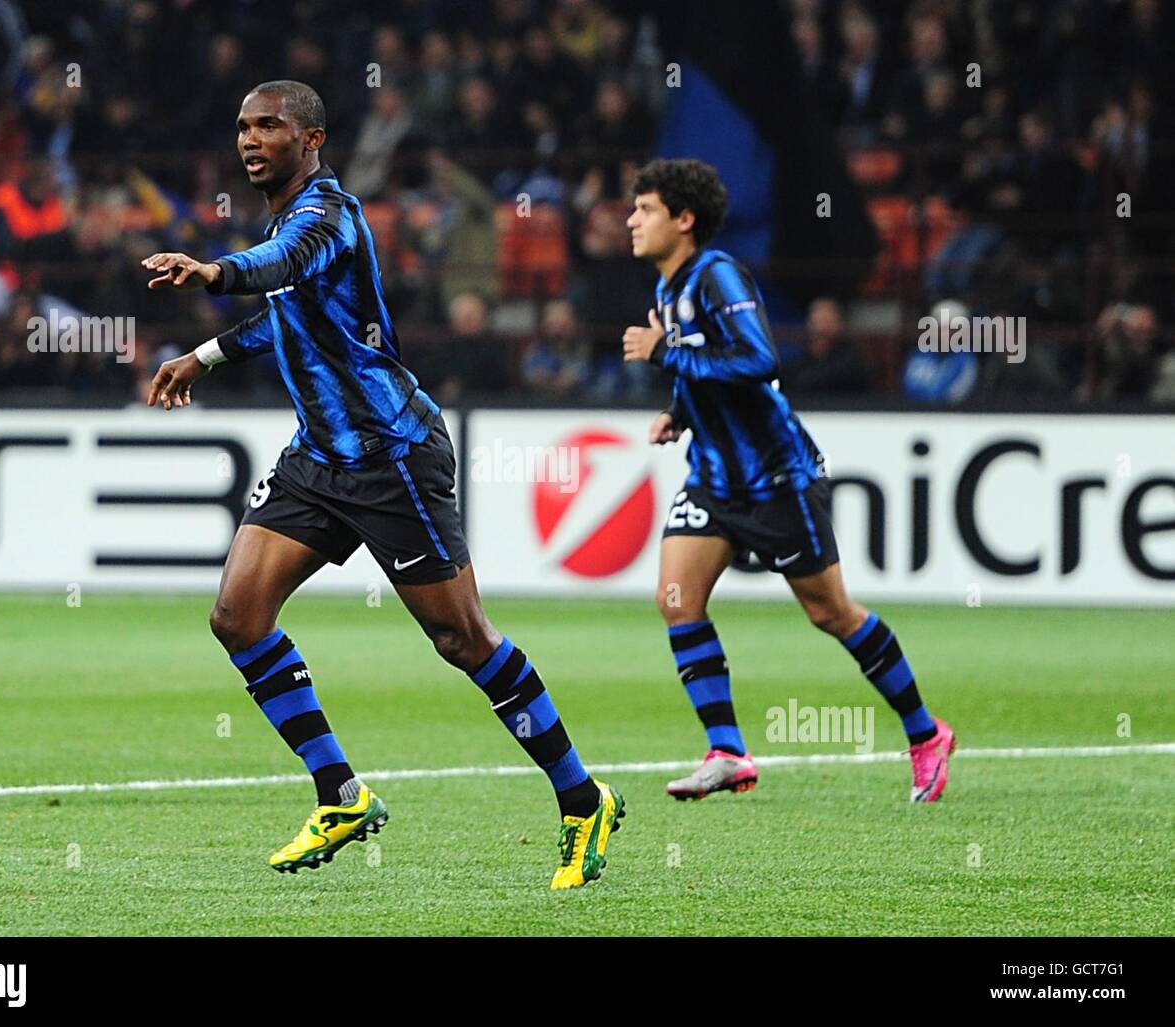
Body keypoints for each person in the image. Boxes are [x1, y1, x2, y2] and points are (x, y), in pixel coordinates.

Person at [139, 81, 622, 889]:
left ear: (313, 138)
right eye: (242, 128)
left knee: (462, 639)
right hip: (319, 458)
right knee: (238, 615)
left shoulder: (328, 215)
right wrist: (206, 356)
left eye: (269, 126)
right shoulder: (286, 218)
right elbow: (287, 311)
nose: (251, 140)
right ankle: (341, 793)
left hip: (393, 454)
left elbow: (277, 268)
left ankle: (582, 798)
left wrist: (213, 271)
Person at [621, 158, 954, 803]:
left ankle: (925, 734)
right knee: (676, 600)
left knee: (830, 612)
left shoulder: (717, 275)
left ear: (684, 220)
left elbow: (758, 358)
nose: (632, 220)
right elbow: (705, 372)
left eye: (646, 209)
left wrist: (666, 354)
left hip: (775, 479)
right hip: (714, 480)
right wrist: (679, 413)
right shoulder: (667, 290)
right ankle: (728, 752)